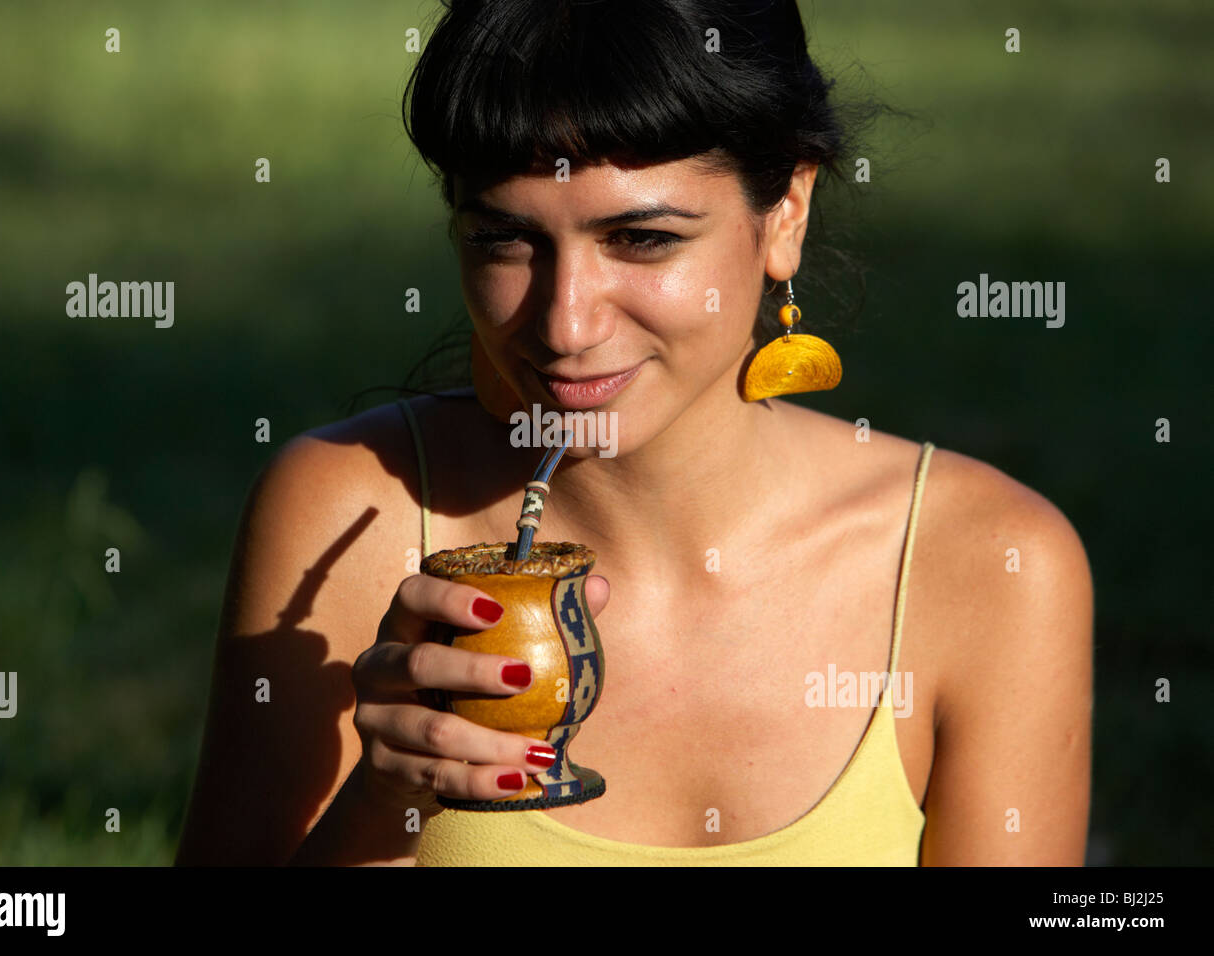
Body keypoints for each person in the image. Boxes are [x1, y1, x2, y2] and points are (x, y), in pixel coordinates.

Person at [174, 0, 1093, 866]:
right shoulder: (352, 519)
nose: (565, 325)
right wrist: (382, 807)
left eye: (643, 240)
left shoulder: (988, 566)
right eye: (505, 241)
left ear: (787, 213)